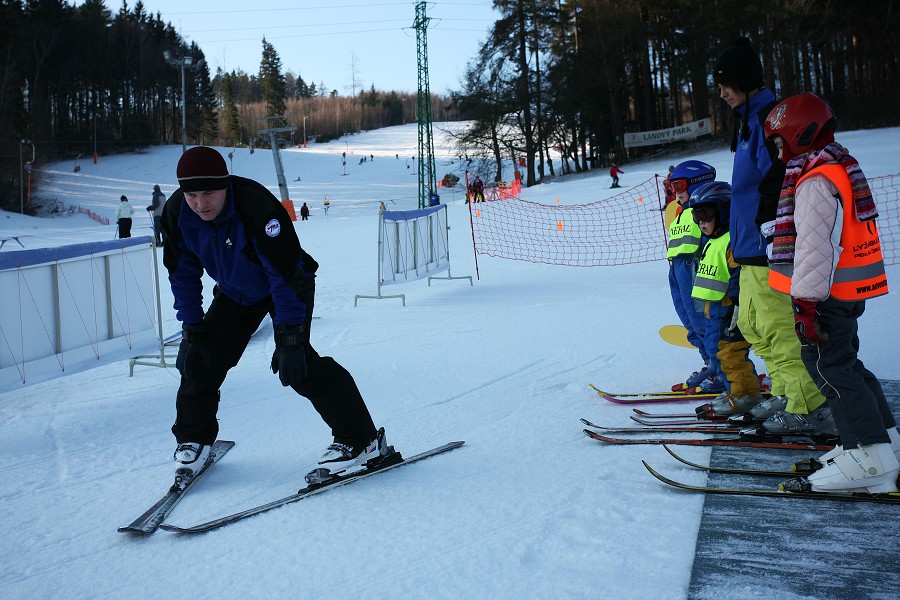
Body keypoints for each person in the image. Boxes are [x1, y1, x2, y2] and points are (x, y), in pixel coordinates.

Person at [160, 146, 389, 490]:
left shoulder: (256, 206)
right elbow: (183, 273)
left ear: (225, 185)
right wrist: (192, 328)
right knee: (202, 358)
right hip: (236, 291)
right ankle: (196, 438)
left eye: (208, 192)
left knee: (296, 365)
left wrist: (291, 340)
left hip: (287, 284)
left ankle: (361, 440)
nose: (200, 203)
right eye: (192, 194)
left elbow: (283, 276)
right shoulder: (178, 212)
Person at [764, 92, 898, 492]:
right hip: (846, 292)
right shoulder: (839, 168)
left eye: (778, 143)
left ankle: (869, 459)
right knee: (848, 365)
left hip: (824, 295)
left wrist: (805, 304)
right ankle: (882, 442)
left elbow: (814, 248)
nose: (777, 153)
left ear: (797, 134)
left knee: (831, 369)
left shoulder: (813, 180)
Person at [713, 37, 828, 431]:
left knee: (779, 327)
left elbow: (777, 182)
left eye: (726, 83)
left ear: (745, 79)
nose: (722, 92)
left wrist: (766, 233)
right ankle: (783, 389)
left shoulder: (770, 120)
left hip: (767, 247)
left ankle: (806, 405)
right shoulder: (747, 122)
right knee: (752, 324)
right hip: (746, 246)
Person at [685, 181, 761, 412]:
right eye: (697, 216)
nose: (701, 222)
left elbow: (739, 274)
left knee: (731, 355)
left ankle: (745, 396)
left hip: (729, 311)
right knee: (716, 354)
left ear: (725, 212)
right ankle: (734, 391)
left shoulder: (730, 241)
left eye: (706, 215)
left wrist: (737, 303)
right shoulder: (711, 242)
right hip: (713, 311)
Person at [665, 160, 717, 391]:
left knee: (703, 320)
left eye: (678, 186)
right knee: (689, 321)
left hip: (694, 268)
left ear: (695, 184)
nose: (675, 193)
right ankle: (710, 363)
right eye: (672, 187)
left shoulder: (704, 210)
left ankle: (721, 367)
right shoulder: (681, 213)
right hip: (678, 270)